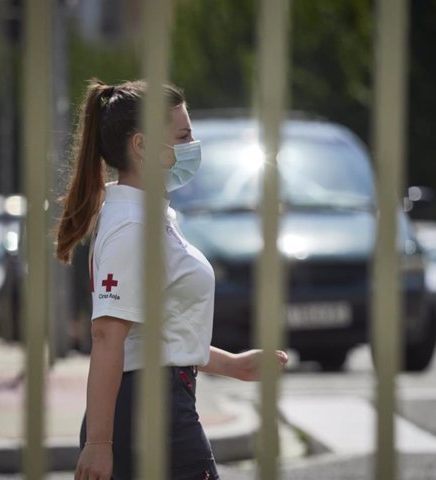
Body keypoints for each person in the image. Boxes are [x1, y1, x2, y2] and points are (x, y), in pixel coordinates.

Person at [55, 79, 288, 480]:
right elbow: (109, 336)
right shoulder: (131, 225)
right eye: (183, 135)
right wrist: (98, 444)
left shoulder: (152, 217)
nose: (192, 144)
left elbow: (159, 337)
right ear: (142, 146)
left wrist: (232, 365)